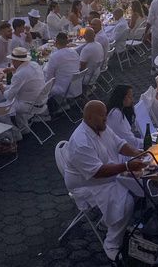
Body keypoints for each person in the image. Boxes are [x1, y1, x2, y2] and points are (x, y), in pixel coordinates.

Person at [60, 100, 144, 260]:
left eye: (106, 115)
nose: (106, 119)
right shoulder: (81, 141)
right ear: (89, 118)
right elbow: (97, 172)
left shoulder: (101, 126)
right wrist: (126, 166)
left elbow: (120, 144)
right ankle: (111, 243)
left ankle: (114, 222)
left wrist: (138, 153)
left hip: (103, 174)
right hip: (85, 184)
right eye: (102, 116)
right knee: (127, 202)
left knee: (138, 186)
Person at [0, 47, 45, 120]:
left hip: (29, 105)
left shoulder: (20, 75)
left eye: (12, 60)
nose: (12, 62)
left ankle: (13, 129)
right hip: (41, 102)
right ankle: (23, 125)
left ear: (16, 61)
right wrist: (13, 69)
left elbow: (8, 96)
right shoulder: (35, 64)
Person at [44, 32, 81, 99]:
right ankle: (64, 104)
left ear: (56, 42)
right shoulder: (74, 52)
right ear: (67, 42)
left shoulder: (55, 56)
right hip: (77, 86)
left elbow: (49, 78)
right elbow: (78, 66)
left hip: (64, 89)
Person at [105, 85, 142, 149]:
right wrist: (149, 143)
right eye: (130, 97)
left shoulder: (120, 111)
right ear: (122, 97)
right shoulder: (115, 114)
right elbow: (128, 140)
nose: (132, 100)